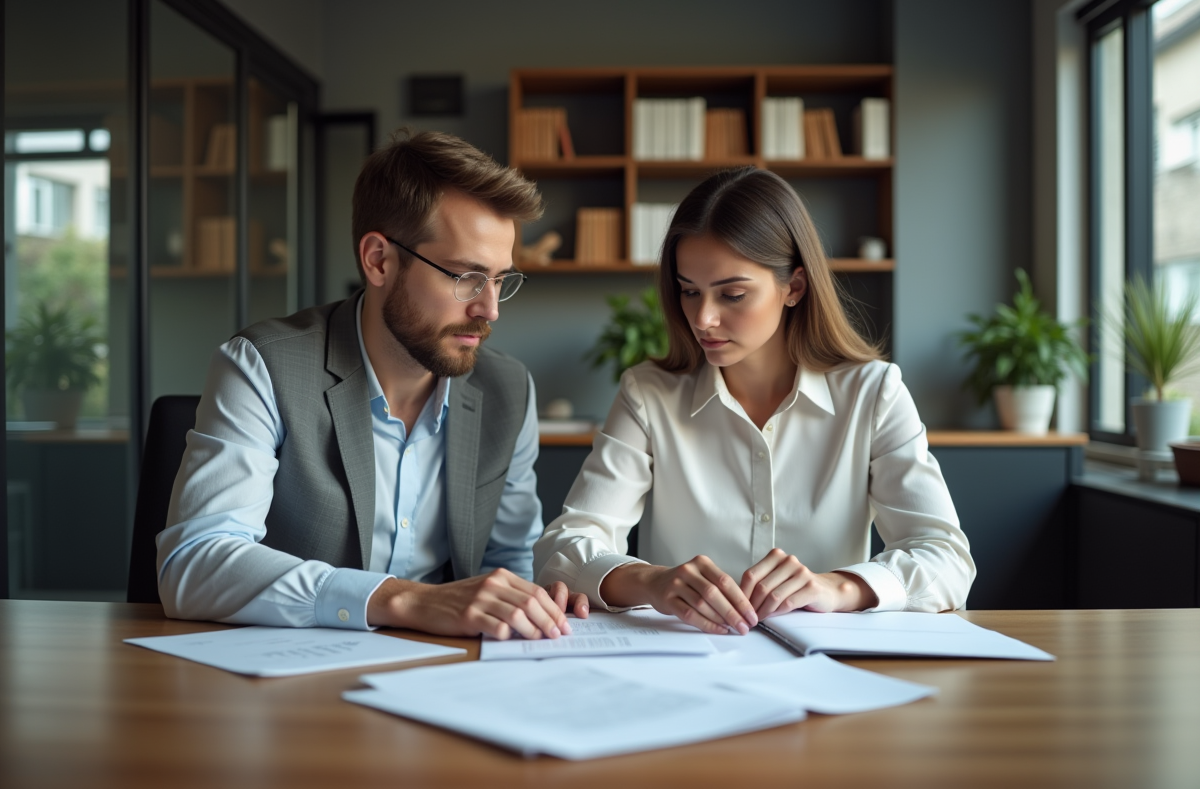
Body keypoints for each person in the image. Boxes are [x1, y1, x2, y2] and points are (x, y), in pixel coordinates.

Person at [158, 129, 587, 640]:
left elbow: (509, 560)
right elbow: (194, 565)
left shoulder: (508, 390)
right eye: (465, 277)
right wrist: (405, 600)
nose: (489, 309)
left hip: (450, 679)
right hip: (294, 684)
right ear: (379, 259)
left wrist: (535, 600)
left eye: (499, 279)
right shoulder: (261, 366)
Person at [534, 167, 974, 635]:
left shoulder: (874, 393)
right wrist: (653, 582)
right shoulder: (649, 394)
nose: (702, 318)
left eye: (733, 294)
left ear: (795, 288)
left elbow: (946, 560)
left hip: (825, 671)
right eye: (689, 291)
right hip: (685, 665)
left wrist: (836, 588)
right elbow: (562, 550)